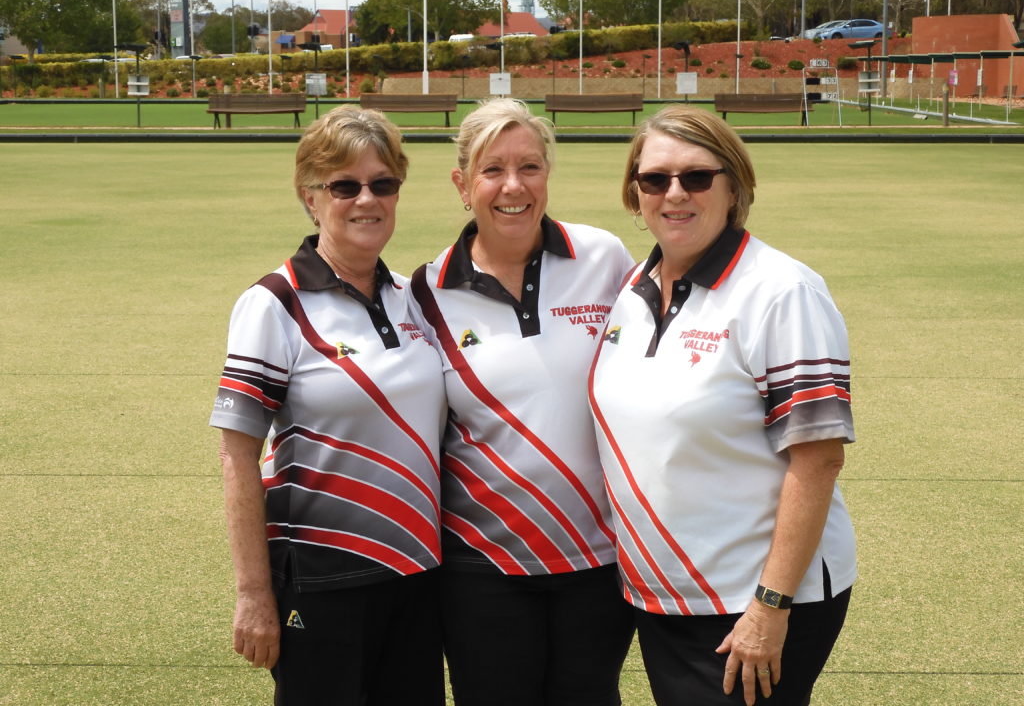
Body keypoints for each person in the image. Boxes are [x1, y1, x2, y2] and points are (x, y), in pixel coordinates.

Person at [589, 105, 856, 706]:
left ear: (734, 185)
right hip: (662, 594)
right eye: (654, 179)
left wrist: (770, 606)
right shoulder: (633, 289)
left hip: (751, 602)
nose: (674, 193)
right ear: (635, 194)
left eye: (696, 177)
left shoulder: (782, 291)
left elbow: (818, 461)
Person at [210, 105, 446, 705]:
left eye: (382, 184)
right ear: (310, 197)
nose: (367, 199)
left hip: (417, 576)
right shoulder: (273, 302)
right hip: (319, 580)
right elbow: (237, 456)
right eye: (345, 185)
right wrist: (253, 594)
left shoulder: (408, 297)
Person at [408, 98, 636, 706]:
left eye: (529, 167)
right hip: (483, 565)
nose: (513, 186)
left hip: (600, 557)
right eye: (492, 170)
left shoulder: (605, 258)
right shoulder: (425, 293)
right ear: (462, 184)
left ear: (548, 174)